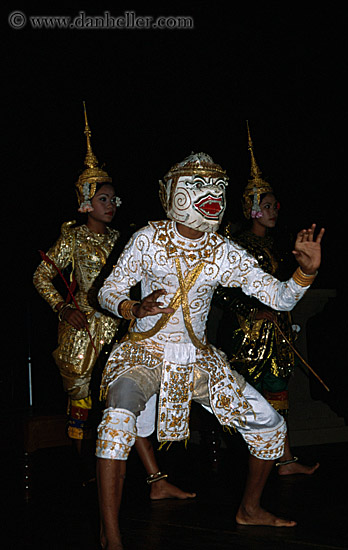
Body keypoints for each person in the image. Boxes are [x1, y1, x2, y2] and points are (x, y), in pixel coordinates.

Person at [94, 151, 324, 549]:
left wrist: (306, 272)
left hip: (197, 360)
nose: (212, 194)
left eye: (218, 187)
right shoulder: (148, 238)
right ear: (175, 193)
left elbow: (280, 297)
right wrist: (133, 307)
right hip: (144, 354)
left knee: (270, 426)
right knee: (115, 425)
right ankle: (111, 537)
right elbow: (108, 292)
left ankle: (249, 510)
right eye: (200, 187)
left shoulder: (223, 250)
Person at [33, 106, 195, 499]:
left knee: (125, 402)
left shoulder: (123, 239)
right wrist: (62, 307)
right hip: (83, 331)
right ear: (86, 203)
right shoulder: (72, 239)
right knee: (84, 406)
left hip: (121, 327)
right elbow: (41, 276)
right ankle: (88, 472)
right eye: (104, 198)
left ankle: (154, 479)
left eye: (114, 198)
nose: (112, 204)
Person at [214, 124, 319, 475]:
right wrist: (254, 310)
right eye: (268, 205)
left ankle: (285, 460)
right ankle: (248, 463)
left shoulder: (280, 245)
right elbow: (223, 291)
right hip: (248, 334)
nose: (275, 210)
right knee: (250, 398)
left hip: (278, 333)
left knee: (278, 394)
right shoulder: (237, 245)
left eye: (276, 205)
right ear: (253, 209)